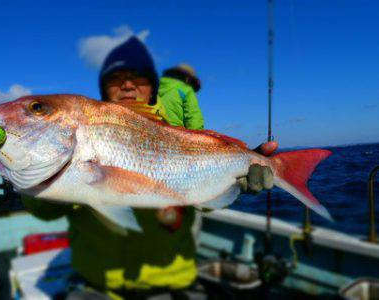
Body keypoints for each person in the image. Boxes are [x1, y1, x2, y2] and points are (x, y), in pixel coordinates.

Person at [23, 36, 277, 299]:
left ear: (154, 86)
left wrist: (237, 179)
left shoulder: (181, 135)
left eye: (139, 77)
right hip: (97, 287)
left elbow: (202, 200)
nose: (128, 84)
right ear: (103, 87)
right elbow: (43, 211)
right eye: (116, 78)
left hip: (173, 284)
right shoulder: (84, 127)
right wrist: (29, 169)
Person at [158, 64, 204, 130]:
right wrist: (199, 134)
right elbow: (193, 116)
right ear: (187, 79)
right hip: (175, 131)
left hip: (150, 129)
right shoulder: (186, 89)